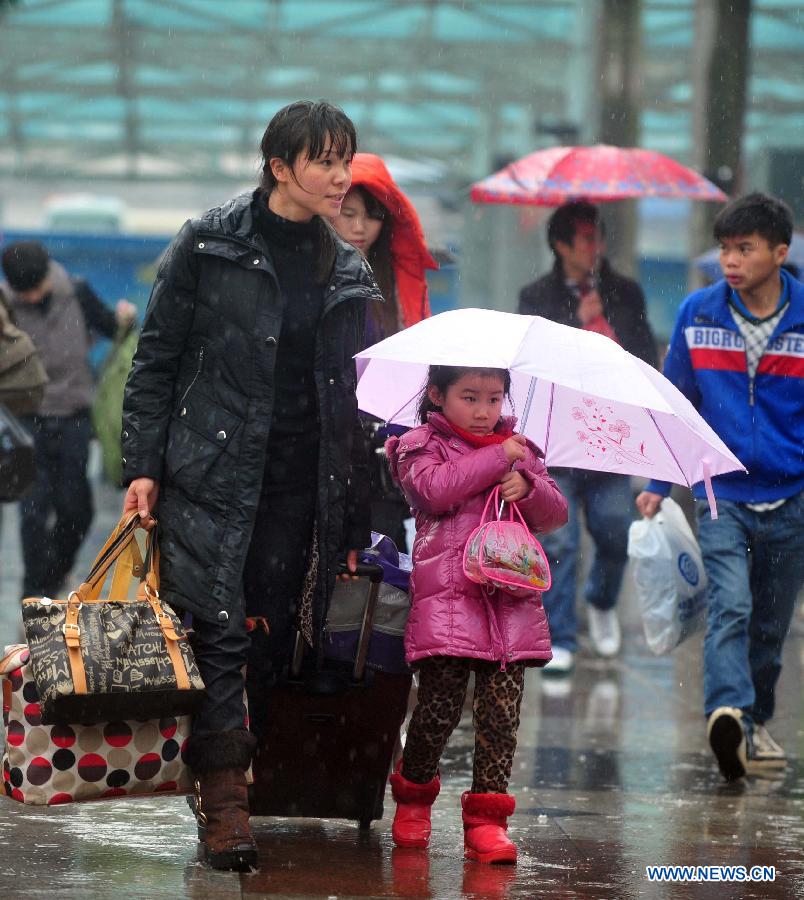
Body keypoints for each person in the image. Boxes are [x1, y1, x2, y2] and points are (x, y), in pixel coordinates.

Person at [120, 100, 382, 870]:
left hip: (302, 481)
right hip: (209, 472)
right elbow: (156, 359)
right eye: (326, 162)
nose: (341, 178)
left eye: (346, 160)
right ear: (280, 167)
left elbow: (350, 394)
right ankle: (228, 811)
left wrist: (357, 498)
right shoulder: (208, 244)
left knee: (268, 634)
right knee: (221, 631)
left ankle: (229, 772)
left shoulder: (348, 267)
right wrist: (143, 464)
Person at [636, 192, 804, 782]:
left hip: (793, 496)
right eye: (725, 249)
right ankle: (725, 714)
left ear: (780, 253)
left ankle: (752, 721)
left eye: (745, 248)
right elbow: (676, 400)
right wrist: (660, 479)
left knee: (770, 624)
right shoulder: (698, 313)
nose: (730, 261)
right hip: (720, 492)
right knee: (731, 605)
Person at [384, 365, 567, 864]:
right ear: (438, 396)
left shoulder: (519, 450)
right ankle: (415, 796)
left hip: (509, 606)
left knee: (501, 717)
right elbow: (435, 491)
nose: (485, 411)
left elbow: (556, 515)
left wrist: (528, 487)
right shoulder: (421, 444)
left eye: (495, 398)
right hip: (449, 603)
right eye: (470, 397)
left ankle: (487, 820)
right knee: (438, 709)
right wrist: (495, 460)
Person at [518, 201, 658, 672]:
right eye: (584, 238)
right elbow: (537, 362)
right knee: (559, 540)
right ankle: (561, 636)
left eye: (599, 236)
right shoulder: (536, 296)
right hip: (558, 433)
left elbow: (642, 358)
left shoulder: (625, 293)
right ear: (560, 245)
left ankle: (600, 599)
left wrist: (605, 327)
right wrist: (577, 324)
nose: (595, 246)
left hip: (610, 434)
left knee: (615, 528)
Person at [0, 241, 136, 598]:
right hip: (24, 420)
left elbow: (113, 330)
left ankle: (53, 578)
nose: (29, 299)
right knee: (32, 513)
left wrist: (124, 319)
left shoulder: (76, 293)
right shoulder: (3, 305)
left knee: (77, 510)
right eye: (22, 292)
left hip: (74, 417)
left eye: (35, 289)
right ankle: (33, 597)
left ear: (48, 275)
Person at [332, 152, 437, 548]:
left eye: (372, 216)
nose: (360, 228)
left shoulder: (398, 283)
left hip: (385, 447)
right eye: (350, 213)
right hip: (328, 439)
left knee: (385, 566)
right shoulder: (313, 273)